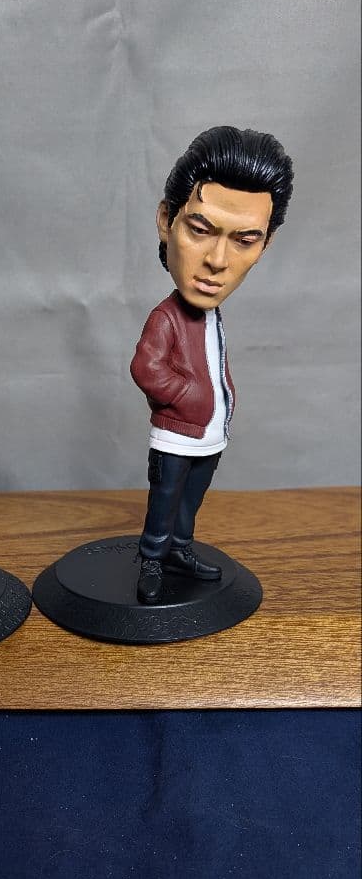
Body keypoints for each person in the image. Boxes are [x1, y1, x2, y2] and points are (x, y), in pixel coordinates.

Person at [131, 126, 293, 604]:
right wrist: (191, 396)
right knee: (165, 500)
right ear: (167, 220)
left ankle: (179, 550)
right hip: (178, 434)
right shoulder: (166, 317)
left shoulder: (212, 315)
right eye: (200, 230)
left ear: (266, 244)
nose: (217, 261)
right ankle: (152, 559)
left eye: (245, 239)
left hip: (210, 434)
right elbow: (146, 368)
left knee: (190, 500)